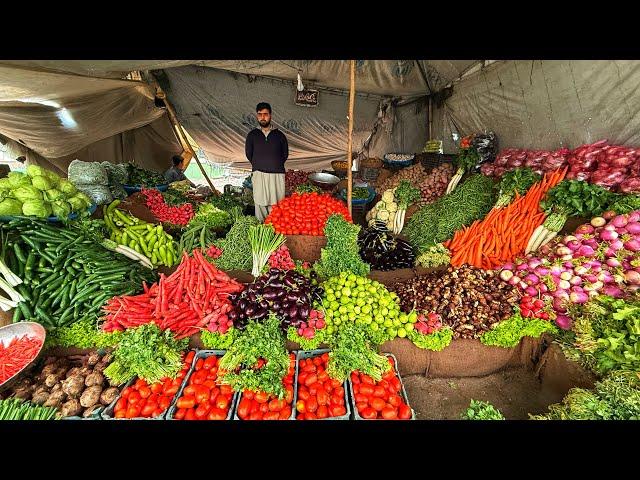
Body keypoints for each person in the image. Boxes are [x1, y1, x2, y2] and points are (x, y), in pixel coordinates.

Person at [245, 102, 289, 222]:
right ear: (257, 116)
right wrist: (260, 164)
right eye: (260, 114)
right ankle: (261, 230)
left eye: (265, 114)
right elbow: (249, 154)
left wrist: (273, 164)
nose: (263, 117)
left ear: (270, 115)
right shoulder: (252, 135)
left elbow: (285, 154)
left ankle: (275, 229)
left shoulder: (280, 135)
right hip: (259, 174)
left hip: (277, 174)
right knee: (260, 203)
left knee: (276, 204)